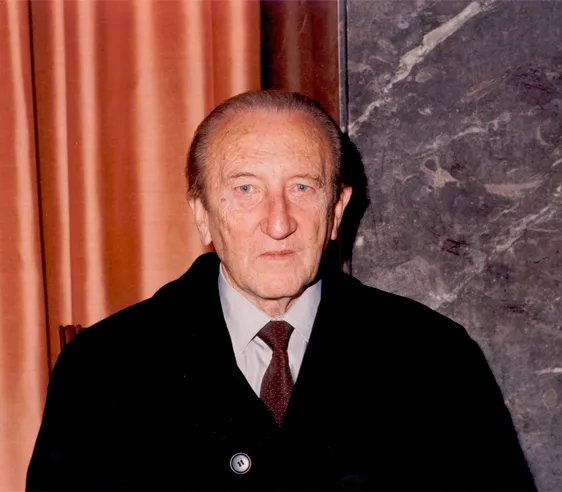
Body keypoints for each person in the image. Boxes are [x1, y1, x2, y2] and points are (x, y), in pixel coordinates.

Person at [27, 90, 536, 491]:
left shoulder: (435, 357)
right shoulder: (105, 367)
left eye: (302, 188)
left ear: (336, 211)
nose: (278, 223)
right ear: (202, 213)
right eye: (246, 189)